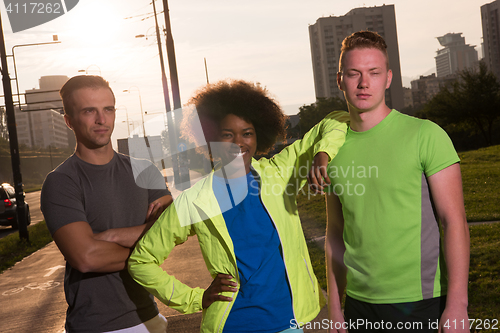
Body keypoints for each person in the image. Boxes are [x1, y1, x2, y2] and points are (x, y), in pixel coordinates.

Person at [128, 79, 349, 333]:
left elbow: (337, 119)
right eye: (227, 134)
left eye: (247, 133)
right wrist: (194, 298)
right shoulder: (196, 199)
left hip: (288, 323)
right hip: (233, 325)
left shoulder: (278, 174)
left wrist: (323, 153)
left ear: (259, 136)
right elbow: (141, 261)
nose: (238, 143)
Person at [316, 31, 470, 332]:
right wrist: (335, 308)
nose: (363, 83)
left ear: (387, 78)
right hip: (359, 306)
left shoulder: (426, 135)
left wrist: (457, 305)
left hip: (422, 302)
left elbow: (455, 222)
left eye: (373, 73)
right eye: (353, 74)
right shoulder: (332, 149)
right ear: (340, 80)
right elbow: (335, 232)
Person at [40, 75, 173, 333]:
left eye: (108, 109)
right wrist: (148, 246)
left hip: (151, 319)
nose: (102, 119)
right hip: (96, 325)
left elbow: (171, 233)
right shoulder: (61, 182)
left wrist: (109, 236)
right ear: (69, 121)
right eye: (89, 111)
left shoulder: (145, 170)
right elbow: (87, 257)